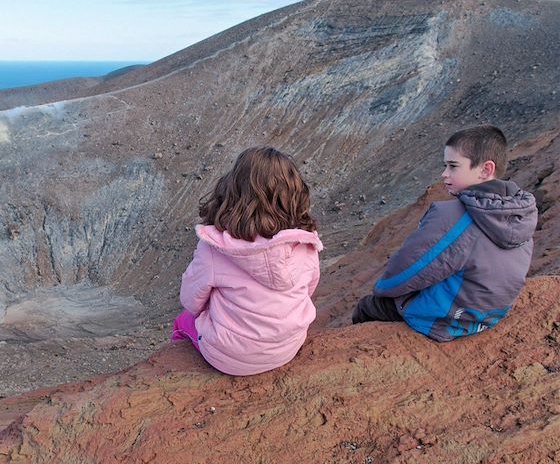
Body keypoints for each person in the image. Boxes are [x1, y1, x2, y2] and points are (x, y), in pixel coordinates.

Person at [352, 125, 537, 341]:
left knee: (368, 306)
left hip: (448, 319)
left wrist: (382, 290)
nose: (444, 174)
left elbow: (410, 269)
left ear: (485, 170)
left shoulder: (452, 216)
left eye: (453, 166)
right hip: (488, 315)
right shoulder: (520, 213)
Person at [171, 146, 322, 375]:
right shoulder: (305, 244)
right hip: (287, 347)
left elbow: (190, 301)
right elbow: (308, 290)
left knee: (182, 322)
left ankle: (177, 371)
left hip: (228, 358)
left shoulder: (215, 248)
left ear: (232, 192)